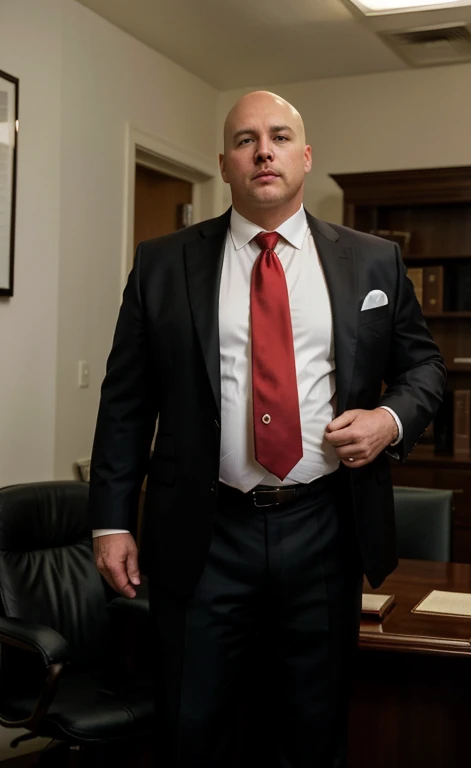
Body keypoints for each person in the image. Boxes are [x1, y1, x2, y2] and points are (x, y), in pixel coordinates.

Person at [88, 90, 446, 768]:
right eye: (246, 139)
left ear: (305, 156)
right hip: (203, 531)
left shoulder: (373, 260)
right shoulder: (164, 263)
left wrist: (388, 417)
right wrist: (110, 521)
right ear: (225, 163)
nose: (263, 150)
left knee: (312, 729)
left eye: (279, 136)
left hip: (325, 525)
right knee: (191, 726)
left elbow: (424, 365)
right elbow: (127, 401)